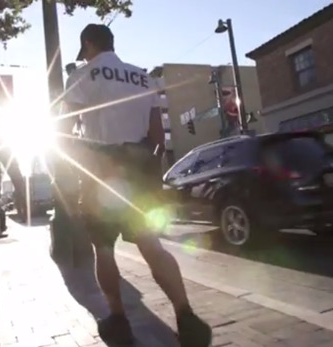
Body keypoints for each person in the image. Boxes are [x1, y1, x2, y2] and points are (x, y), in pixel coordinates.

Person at [63, 24, 212, 346]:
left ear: (88, 45)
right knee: (151, 244)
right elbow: (157, 135)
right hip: (139, 169)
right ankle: (186, 315)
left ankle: (118, 319)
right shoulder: (142, 77)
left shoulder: (81, 76)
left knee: (103, 248)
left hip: (100, 172)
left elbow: (64, 132)